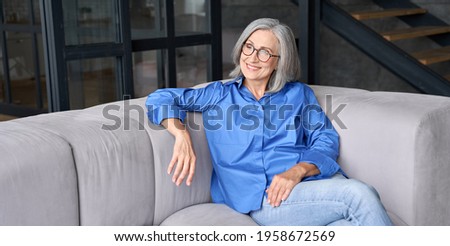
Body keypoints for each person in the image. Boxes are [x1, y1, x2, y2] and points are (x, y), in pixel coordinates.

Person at [146, 18, 393, 226]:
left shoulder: (298, 94)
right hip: (266, 199)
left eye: (264, 52)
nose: (253, 58)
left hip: (313, 184)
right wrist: (181, 134)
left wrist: (298, 170)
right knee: (359, 194)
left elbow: (325, 137)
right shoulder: (219, 94)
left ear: (279, 60)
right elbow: (160, 98)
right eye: (249, 47)